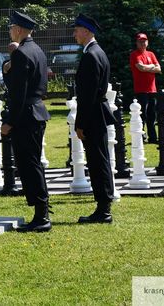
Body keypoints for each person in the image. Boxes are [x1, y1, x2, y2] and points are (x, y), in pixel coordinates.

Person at [0, 10, 51, 233]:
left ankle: (41, 215)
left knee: (29, 165)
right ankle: (42, 210)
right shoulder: (37, 50)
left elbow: (18, 92)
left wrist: (9, 121)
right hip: (37, 111)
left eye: (11, 28)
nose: (10, 32)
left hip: (26, 115)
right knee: (33, 163)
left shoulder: (21, 53)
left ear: (19, 30)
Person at [73, 13, 116, 224]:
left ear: (87, 31)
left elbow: (87, 95)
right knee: (100, 160)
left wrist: (80, 123)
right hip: (97, 112)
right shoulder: (98, 52)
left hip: (93, 115)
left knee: (98, 162)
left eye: (77, 29)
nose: (74, 33)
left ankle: (103, 209)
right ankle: (103, 206)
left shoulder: (91, 55)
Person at [129, 32, 161, 144]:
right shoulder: (134, 55)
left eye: (144, 41)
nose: (142, 43)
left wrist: (149, 67)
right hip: (141, 89)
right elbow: (140, 68)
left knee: (152, 115)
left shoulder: (151, 54)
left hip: (152, 89)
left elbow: (159, 69)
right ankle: (141, 137)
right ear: (136, 43)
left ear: (147, 42)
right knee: (142, 115)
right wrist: (152, 66)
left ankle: (153, 138)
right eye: (140, 41)